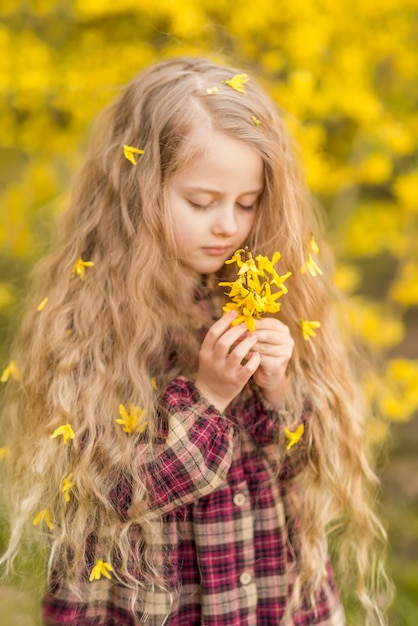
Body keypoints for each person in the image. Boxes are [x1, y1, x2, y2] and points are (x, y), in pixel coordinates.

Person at [0, 57, 390, 625]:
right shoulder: (89, 322)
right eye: (202, 203)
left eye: (247, 203)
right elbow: (110, 496)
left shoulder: (263, 290)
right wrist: (208, 398)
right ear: (138, 193)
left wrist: (277, 389)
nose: (228, 225)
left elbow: (300, 463)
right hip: (153, 606)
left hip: (270, 602)